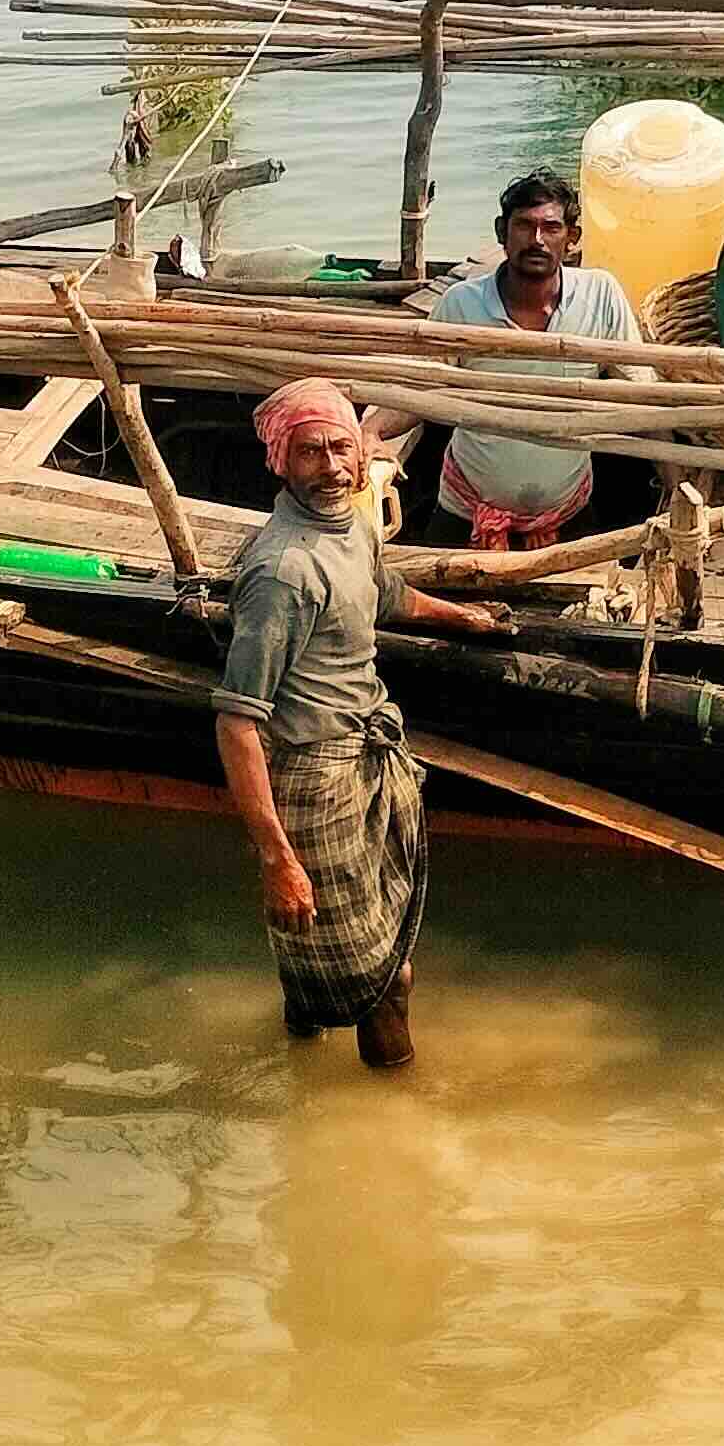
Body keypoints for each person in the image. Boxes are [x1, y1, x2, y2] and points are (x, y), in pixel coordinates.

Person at [210, 379, 513, 1071]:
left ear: (362, 447)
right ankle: (394, 1125)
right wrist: (278, 859)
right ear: (279, 462)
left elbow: (386, 593)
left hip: (372, 751)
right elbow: (237, 724)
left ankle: (298, 1061)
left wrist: (465, 618)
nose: (333, 469)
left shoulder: (352, 524)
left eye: (341, 448)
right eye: (310, 453)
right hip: (313, 775)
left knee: (368, 943)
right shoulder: (283, 572)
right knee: (389, 982)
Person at [393, 169, 646, 550]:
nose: (537, 240)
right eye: (524, 226)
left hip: (568, 512)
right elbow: (420, 387)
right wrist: (369, 435)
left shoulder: (600, 295)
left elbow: (642, 392)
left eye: (551, 228)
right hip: (466, 512)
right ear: (501, 232)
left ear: (571, 238)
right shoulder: (462, 304)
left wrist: (678, 477)